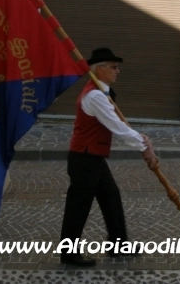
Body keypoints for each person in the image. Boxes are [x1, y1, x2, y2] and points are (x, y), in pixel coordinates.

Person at [59, 47, 159, 267]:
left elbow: (117, 124)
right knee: (78, 205)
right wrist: (143, 146)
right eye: (113, 67)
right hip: (84, 159)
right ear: (100, 69)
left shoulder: (100, 93)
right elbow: (116, 126)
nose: (117, 71)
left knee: (111, 197)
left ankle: (118, 244)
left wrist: (140, 139)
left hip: (92, 157)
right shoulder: (95, 96)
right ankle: (68, 253)